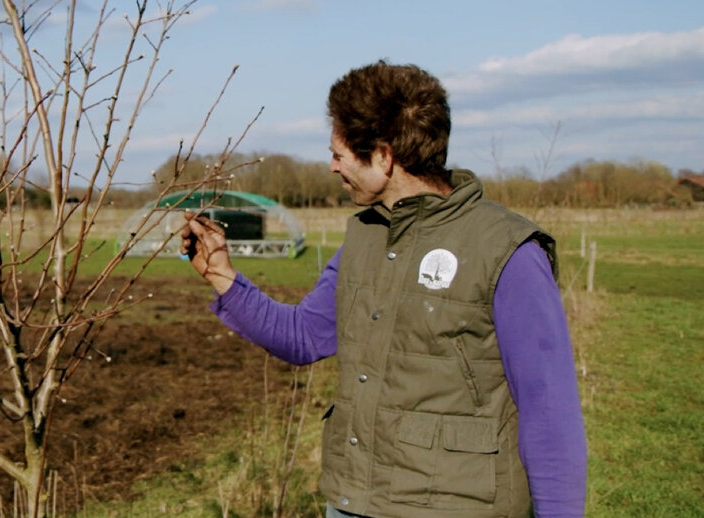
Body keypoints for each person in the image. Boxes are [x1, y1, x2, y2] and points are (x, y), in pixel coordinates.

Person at [181, 61, 587, 518]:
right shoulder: (366, 237)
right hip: (356, 503)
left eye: (339, 154)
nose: (332, 166)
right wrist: (221, 275)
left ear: (383, 156)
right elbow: (304, 335)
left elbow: (550, 413)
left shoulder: (506, 249)